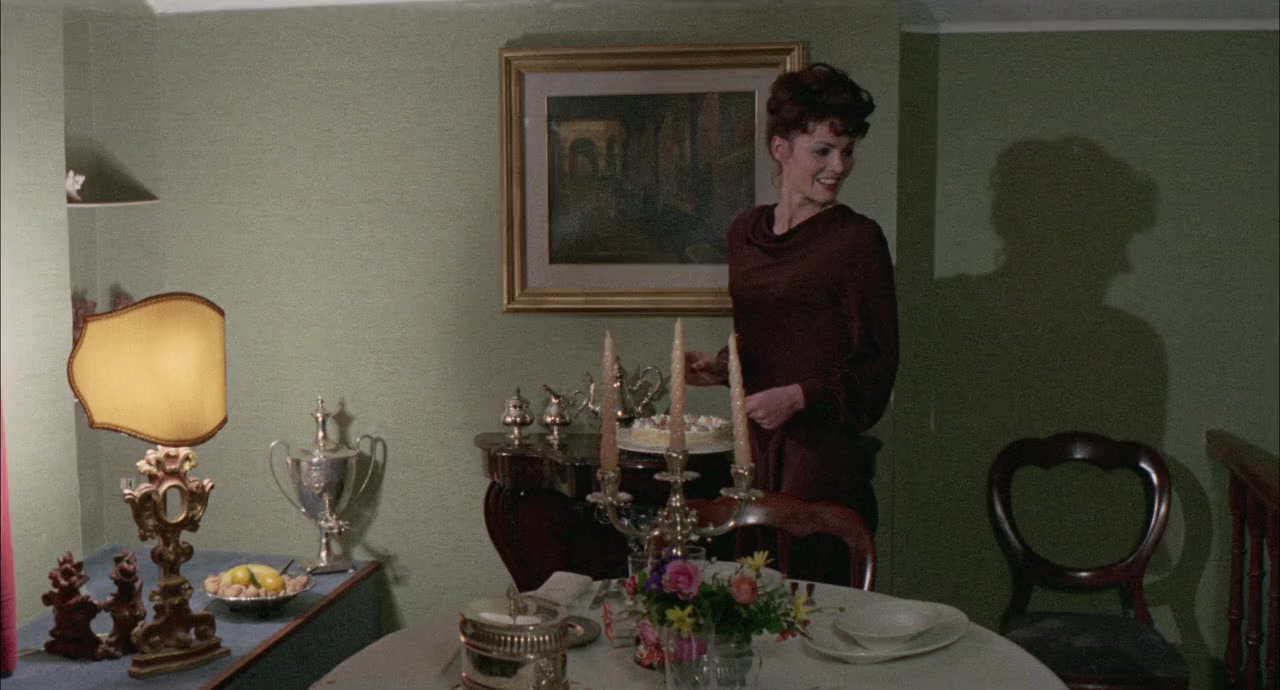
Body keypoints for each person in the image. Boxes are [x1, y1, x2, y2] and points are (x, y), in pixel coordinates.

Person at [686, 62, 899, 584]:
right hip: (751, 449)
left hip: (818, 457)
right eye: (823, 151)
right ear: (780, 148)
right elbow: (766, 334)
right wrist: (723, 367)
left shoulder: (856, 240)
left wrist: (799, 396)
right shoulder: (745, 232)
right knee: (742, 595)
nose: (839, 167)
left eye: (847, 151)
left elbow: (878, 363)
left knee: (808, 597)